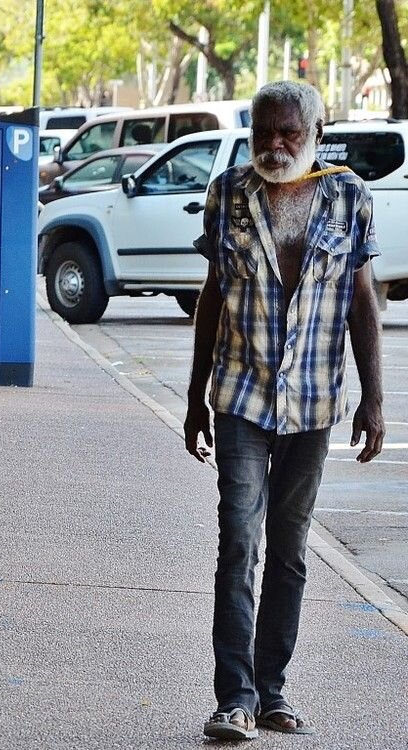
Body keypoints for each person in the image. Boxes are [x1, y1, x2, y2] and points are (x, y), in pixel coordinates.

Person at [185, 81, 384, 741]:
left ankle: (272, 690)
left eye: (288, 133)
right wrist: (193, 396)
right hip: (240, 397)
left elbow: (363, 301)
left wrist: (376, 399)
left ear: (316, 134)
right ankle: (233, 698)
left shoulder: (350, 196)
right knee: (240, 542)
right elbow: (211, 297)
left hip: (314, 402)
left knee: (291, 552)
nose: (273, 144)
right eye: (263, 131)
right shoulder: (228, 195)